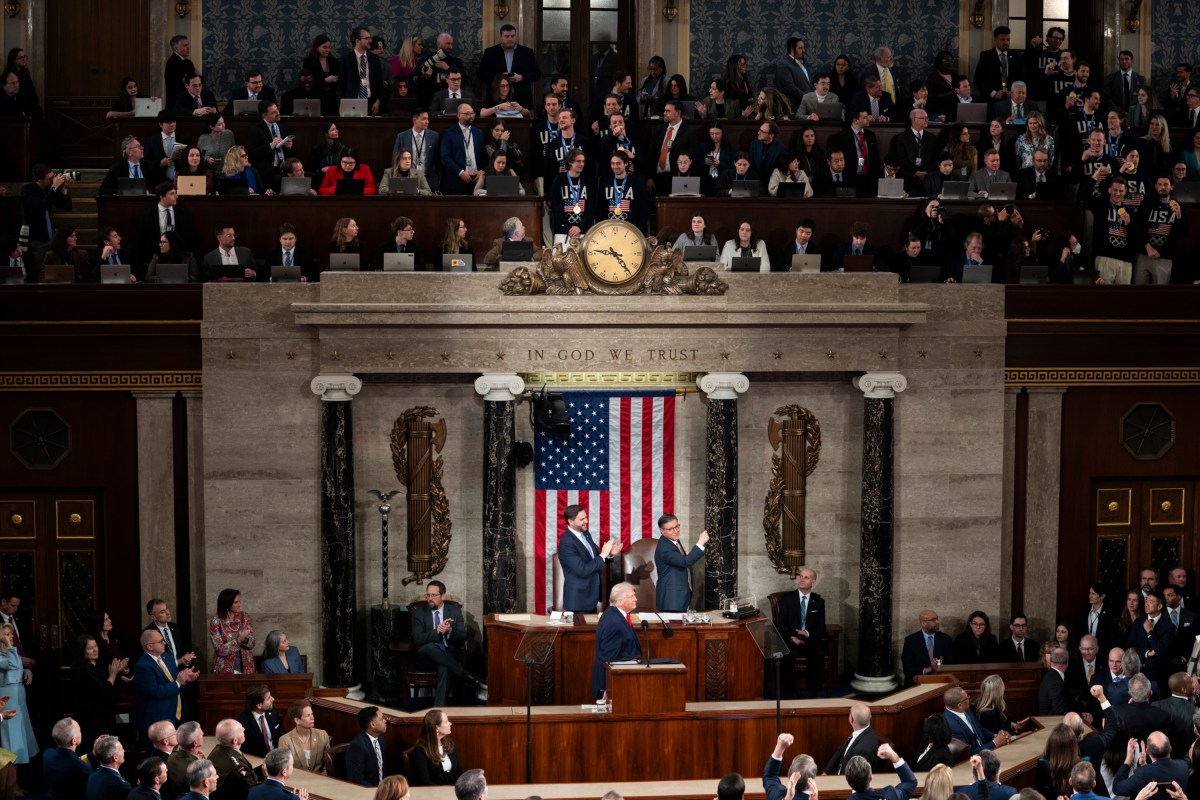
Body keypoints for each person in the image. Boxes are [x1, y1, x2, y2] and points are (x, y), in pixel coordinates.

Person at [411, 580, 486, 705]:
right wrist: (437, 632)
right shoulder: (419, 612)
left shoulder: (454, 611)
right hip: (425, 657)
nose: (430, 598)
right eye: (428, 595)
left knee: (444, 668)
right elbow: (418, 639)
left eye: (434, 595)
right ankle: (464, 674)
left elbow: (462, 637)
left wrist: (450, 630)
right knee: (430, 647)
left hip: (447, 655)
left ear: (442, 596)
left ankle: (439, 711)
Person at [133, 627, 199, 745]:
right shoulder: (143, 666)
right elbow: (156, 691)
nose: (164, 643)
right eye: (160, 641)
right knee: (159, 755)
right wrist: (178, 682)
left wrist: (185, 680)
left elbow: (174, 681)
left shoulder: (166, 657)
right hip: (158, 718)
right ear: (149, 646)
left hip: (176, 712)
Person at [557, 505, 616, 614]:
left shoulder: (586, 534)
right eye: (582, 519)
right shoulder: (566, 543)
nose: (587, 521)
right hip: (578, 601)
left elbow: (595, 559)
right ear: (570, 521)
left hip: (591, 596)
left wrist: (609, 555)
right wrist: (603, 554)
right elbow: (582, 570)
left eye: (586, 517)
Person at [69, 633, 125, 748]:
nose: (95, 650)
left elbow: (108, 682)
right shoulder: (83, 669)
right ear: (82, 651)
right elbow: (105, 689)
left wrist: (118, 673)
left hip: (104, 714)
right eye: (90, 648)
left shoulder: (97, 665)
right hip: (92, 718)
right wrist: (113, 674)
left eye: (95, 646)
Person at [591, 582, 642, 700]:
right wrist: (606, 690)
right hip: (615, 685)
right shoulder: (614, 623)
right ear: (619, 601)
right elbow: (607, 659)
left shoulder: (616, 615)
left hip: (622, 679)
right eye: (631, 596)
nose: (636, 599)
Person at [652, 514, 707, 612]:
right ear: (662, 531)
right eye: (671, 529)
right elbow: (686, 562)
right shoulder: (665, 548)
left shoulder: (673, 540)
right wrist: (701, 542)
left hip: (679, 596)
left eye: (677, 526)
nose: (676, 531)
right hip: (671, 600)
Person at [1111, 729, 1187, 800]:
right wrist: (1144, 765)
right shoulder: (1184, 766)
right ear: (1170, 748)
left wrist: (1128, 758)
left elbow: (1117, 788)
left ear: (1147, 751)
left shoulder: (1142, 773)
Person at [477, 24, 540, 107]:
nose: (510, 39)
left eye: (512, 36)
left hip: (521, 98)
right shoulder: (490, 52)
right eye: (507, 36)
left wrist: (521, 77)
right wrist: (499, 78)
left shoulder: (527, 52)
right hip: (496, 98)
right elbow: (481, 74)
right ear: (501, 37)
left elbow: (536, 73)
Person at [0, 624, 36, 764]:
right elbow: (12, 665)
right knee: (11, 737)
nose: (11, 637)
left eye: (11, 634)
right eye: (7, 635)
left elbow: (15, 669)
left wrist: (26, 671)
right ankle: (9, 783)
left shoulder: (10, 653)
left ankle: (16, 779)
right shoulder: (6, 653)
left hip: (18, 697)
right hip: (8, 698)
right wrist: (9, 646)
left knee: (20, 733)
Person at [549, 148, 596, 245]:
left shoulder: (588, 181)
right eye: (578, 161)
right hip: (563, 233)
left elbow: (592, 208)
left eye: (583, 161)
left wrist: (580, 227)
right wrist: (569, 227)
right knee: (560, 260)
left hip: (583, 232)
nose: (582, 164)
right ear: (570, 162)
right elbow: (556, 208)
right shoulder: (559, 181)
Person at [943, 685, 1009, 754]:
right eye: (967, 698)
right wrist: (995, 743)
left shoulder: (966, 710)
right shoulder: (951, 726)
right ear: (960, 705)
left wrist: (996, 736)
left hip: (987, 749)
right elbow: (968, 754)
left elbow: (980, 728)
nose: (969, 698)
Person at [209, 718, 260, 800]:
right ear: (235, 741)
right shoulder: (237, 768)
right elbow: (253, 790)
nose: (244, 729)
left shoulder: (218, 750)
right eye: (241, 730)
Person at [338, 27, 385, 116]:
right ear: (357, 41)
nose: (370, 41)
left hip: (371, 103)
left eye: (370, 38)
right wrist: (341, 104)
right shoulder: (345, 59)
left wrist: (378, 101)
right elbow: (341, 84)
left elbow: (379, 83)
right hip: (351, 102)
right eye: (366, 38)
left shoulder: (374, 59)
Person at [409, 709, 463, 786]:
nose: (450, 723)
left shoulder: (448, 744)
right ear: (436, 728)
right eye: (446, 722)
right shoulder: (420, 752)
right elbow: (425, 783)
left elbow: (459, 772)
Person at [824, 701, 880, 774]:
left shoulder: (862, 749)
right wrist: (826, 772)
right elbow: (841, 752)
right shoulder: (863, 732)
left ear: (851, 719)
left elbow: (856, 778)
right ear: (870, 717)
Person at [209, 588, 256, 674]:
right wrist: (238, 640)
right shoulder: (216, 622)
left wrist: (246, 639)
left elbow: (252, 644)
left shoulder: (244, 617)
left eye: (239, 601)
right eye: (236, 602)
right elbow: (219, 650)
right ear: (227, 603)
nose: (239, 605)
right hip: (224, 670)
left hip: (247, 669)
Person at [844, 744, 915, 800]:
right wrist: (893, 756)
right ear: (870, 778)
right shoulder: (891, 795)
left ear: (847, 779)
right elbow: (910, 782)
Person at [392, 111, 440, 192]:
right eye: (424, 119)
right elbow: (395, 158)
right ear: (415, 120)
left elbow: (438, 159)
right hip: (408, 179)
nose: (427, 121)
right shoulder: (402, 136)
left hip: (429, 181)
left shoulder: (434, 136)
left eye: (427, 119)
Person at [901, 610, 952, 685]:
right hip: (917, 684)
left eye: (937, 619)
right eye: (933, 620)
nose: (937, 622)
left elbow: (952, 664)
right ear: (923, 623)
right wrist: (927, 669)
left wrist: (941, 666)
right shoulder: (910, 641)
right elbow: (907, 669)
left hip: (939, 682)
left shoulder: (946, 639)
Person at [45, 718, 93, 799]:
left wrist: (94, 753)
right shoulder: (84, 769)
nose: (81, 732)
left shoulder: (47, 754)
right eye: (79, 730)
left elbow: (71, 761)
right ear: (74, 741)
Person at [278, 701, 329, 775]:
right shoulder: (285, 740)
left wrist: (324, 779)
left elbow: (327, 765)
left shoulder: (322, 735)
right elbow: (284, 768)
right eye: (308, 715)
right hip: (297, 781)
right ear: (297, 720)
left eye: (312, 714)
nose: (312, 717)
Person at [762, 732, 817, 800]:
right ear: (812, 780)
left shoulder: (777, 794)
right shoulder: (813, 798)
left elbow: (770, 776)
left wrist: (780, 747)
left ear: (790, 774)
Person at [234, 684, 284, 757]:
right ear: (259, 705)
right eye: (268, 698)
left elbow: (282, 735)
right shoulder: (241, 722)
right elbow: (244, 749)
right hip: (257, 759)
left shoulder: (273, 712)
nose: (273, 699)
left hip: (277, 757)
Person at [346, 706, 387, 787]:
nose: (385, 721)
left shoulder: (381, 741)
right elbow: (357, 780)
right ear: (372, 724)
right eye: (381, 719)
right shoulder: (358, 746)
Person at [301, 35, 341, 116]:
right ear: (317, 47)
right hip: (316, 97)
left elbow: (340, 77)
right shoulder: (309, 62)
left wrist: (337, 78)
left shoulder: (334, 61)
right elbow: (307, 80)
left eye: (329, 47)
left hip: (332, 99)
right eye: (324, 47)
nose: (327, 50)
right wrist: (325, 80)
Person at [167, 721, 205, 798]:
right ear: (195, 743)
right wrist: (202, 763)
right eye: (201, 734)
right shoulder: (197, 769)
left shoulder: (171, 756)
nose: (203, 733)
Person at [87, 735, 130, 800]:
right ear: (115, 758)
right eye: (121, 749)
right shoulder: (123, 786)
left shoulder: (92, 776)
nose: (124, 751)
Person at [776, 37, 814, 109]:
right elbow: (791, 88)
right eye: (800, 48)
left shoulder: (805, 65)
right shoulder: (784, 65)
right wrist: (807, 98)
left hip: (807, 107)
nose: (804, 50)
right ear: (792, 49)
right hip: (794, 107)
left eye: (803, 48)